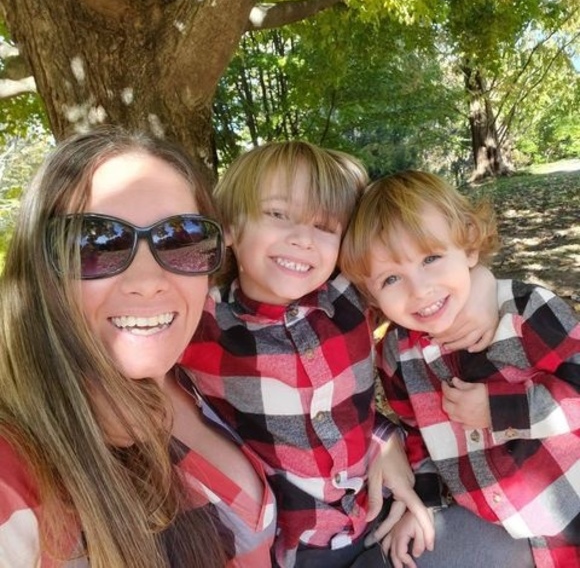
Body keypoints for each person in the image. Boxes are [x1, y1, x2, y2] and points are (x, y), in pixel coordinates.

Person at [182, 142, 502, 568]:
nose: (302, 239)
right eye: (278, 214)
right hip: (298, 547)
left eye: (324, 226)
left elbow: (424, 280)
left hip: (383, 511)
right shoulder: (202, 322)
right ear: (229, 227)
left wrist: (482, 282)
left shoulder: (349, 298)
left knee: (500, 543)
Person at [0, 126, 276, 568]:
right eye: (94, 242)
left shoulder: (203, 370)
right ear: (40, 269)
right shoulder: (16, 471)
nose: (148, 282)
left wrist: (381, 445)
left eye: (182, 238)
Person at [340, 169, 580, 568]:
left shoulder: (525, 311)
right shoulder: (396, 355)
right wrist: (425, 503)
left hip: (568, 506)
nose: (420, 290)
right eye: (391, 278)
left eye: (431, 258)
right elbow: (416, 437)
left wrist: (501, 409)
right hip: (497, 523)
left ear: (468, 248)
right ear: (373, 296)